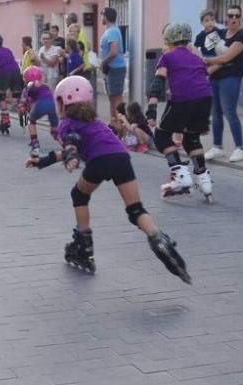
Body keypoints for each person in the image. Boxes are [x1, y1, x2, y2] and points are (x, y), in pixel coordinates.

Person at [25, 75, 190, 282]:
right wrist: (46, 160)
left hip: (99, 161)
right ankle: (159, 239)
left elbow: (71, 142)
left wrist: (71, 155)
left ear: (62, 102)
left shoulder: (67, 123)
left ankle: (84, 245)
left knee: (78, 195)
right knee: (135, 209)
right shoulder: (95, 122)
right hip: (121, 157)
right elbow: (76, 146)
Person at [147, 23, 214, 202]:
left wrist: (151, 110)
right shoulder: (196, 58)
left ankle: (181, 174)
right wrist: (205, 118)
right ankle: (204, 180)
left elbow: (158, 82)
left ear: (169, 39)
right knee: (192, 138)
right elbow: (203, 80)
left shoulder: (167, 57)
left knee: (161, 136)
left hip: (182, 98)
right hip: (205, 99)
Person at [203, 5, 243, 163]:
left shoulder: (242, 36)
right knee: (215, 113)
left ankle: (239, 148)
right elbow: (206, 47)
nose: (233, 18)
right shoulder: (220, 33)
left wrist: (207, 61)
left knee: (230, 112)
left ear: (241, 19)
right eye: (231, 15)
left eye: (237, 16)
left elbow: (226, 58)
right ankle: (217, 146)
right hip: (215, 78)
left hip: (230, 77)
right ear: (226, 18)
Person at [20, 65, 59, 158]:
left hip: (42, 104)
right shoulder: (45, 86)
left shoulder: (30, 85)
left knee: (31, 121)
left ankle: (35, 145)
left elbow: (26, 100)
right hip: (52, 105)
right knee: (54, 131)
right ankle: (68, 149)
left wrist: (23, 106)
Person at [99, 7, 126, 120]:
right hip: (110, 69)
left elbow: (114, 51)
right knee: (111, 97)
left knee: (116, 97)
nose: (101, 17)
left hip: (115, 68)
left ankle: (123, 123)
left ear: (105, 16)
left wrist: (103, 62)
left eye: (102, 15)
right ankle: (114, 123)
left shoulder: (112, 31)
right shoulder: (110, 31)